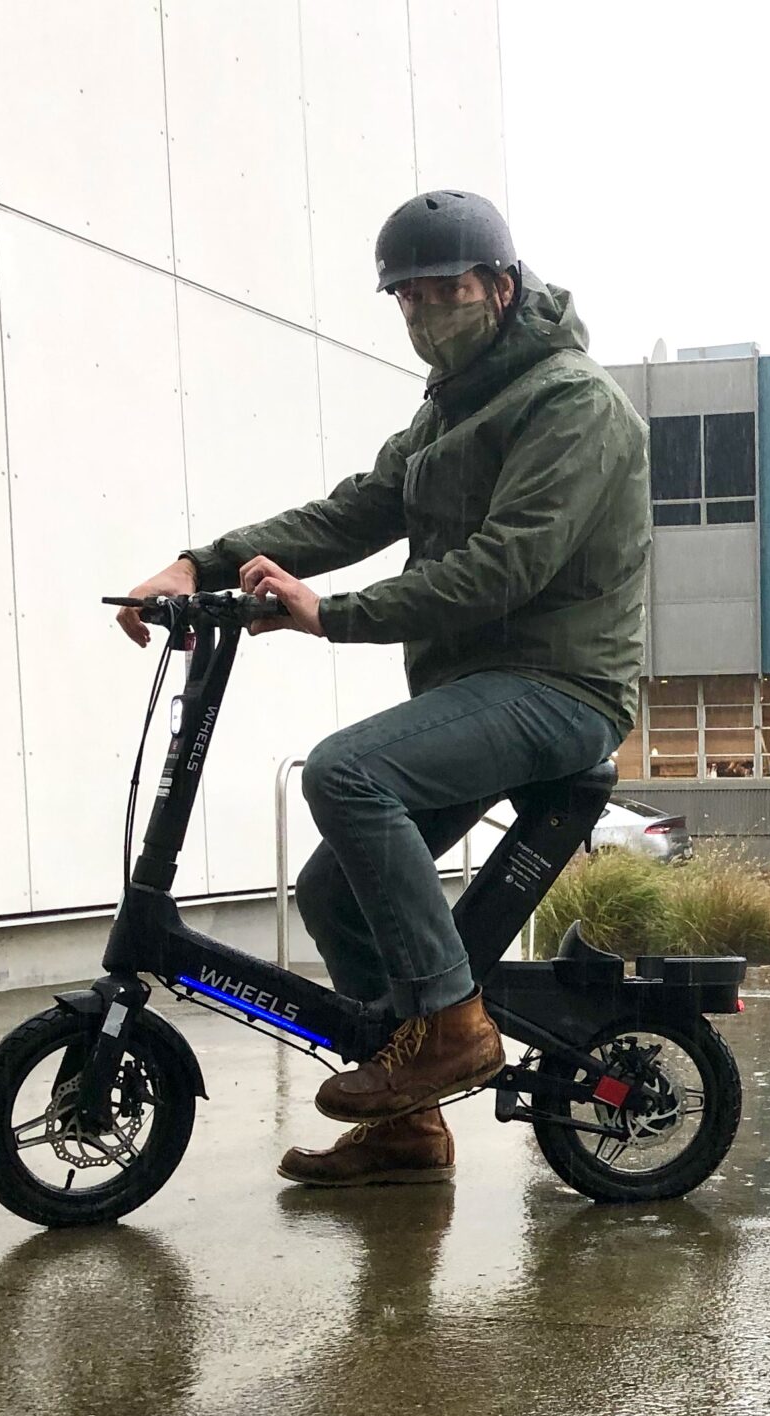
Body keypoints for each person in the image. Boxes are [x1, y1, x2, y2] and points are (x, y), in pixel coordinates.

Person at [115, 191, 650, 1188]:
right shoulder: (451, 409)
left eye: (444, 291)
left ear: (500, 287)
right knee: (331, 891)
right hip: (481, 687)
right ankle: (407, 1124)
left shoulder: (574, 406)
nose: (424, 313)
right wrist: (202, 564)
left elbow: (507, 566)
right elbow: (358, 509)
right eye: (406, 298)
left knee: (344, 772)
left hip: (561, 689)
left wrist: (331, 614)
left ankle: (450, 1026)